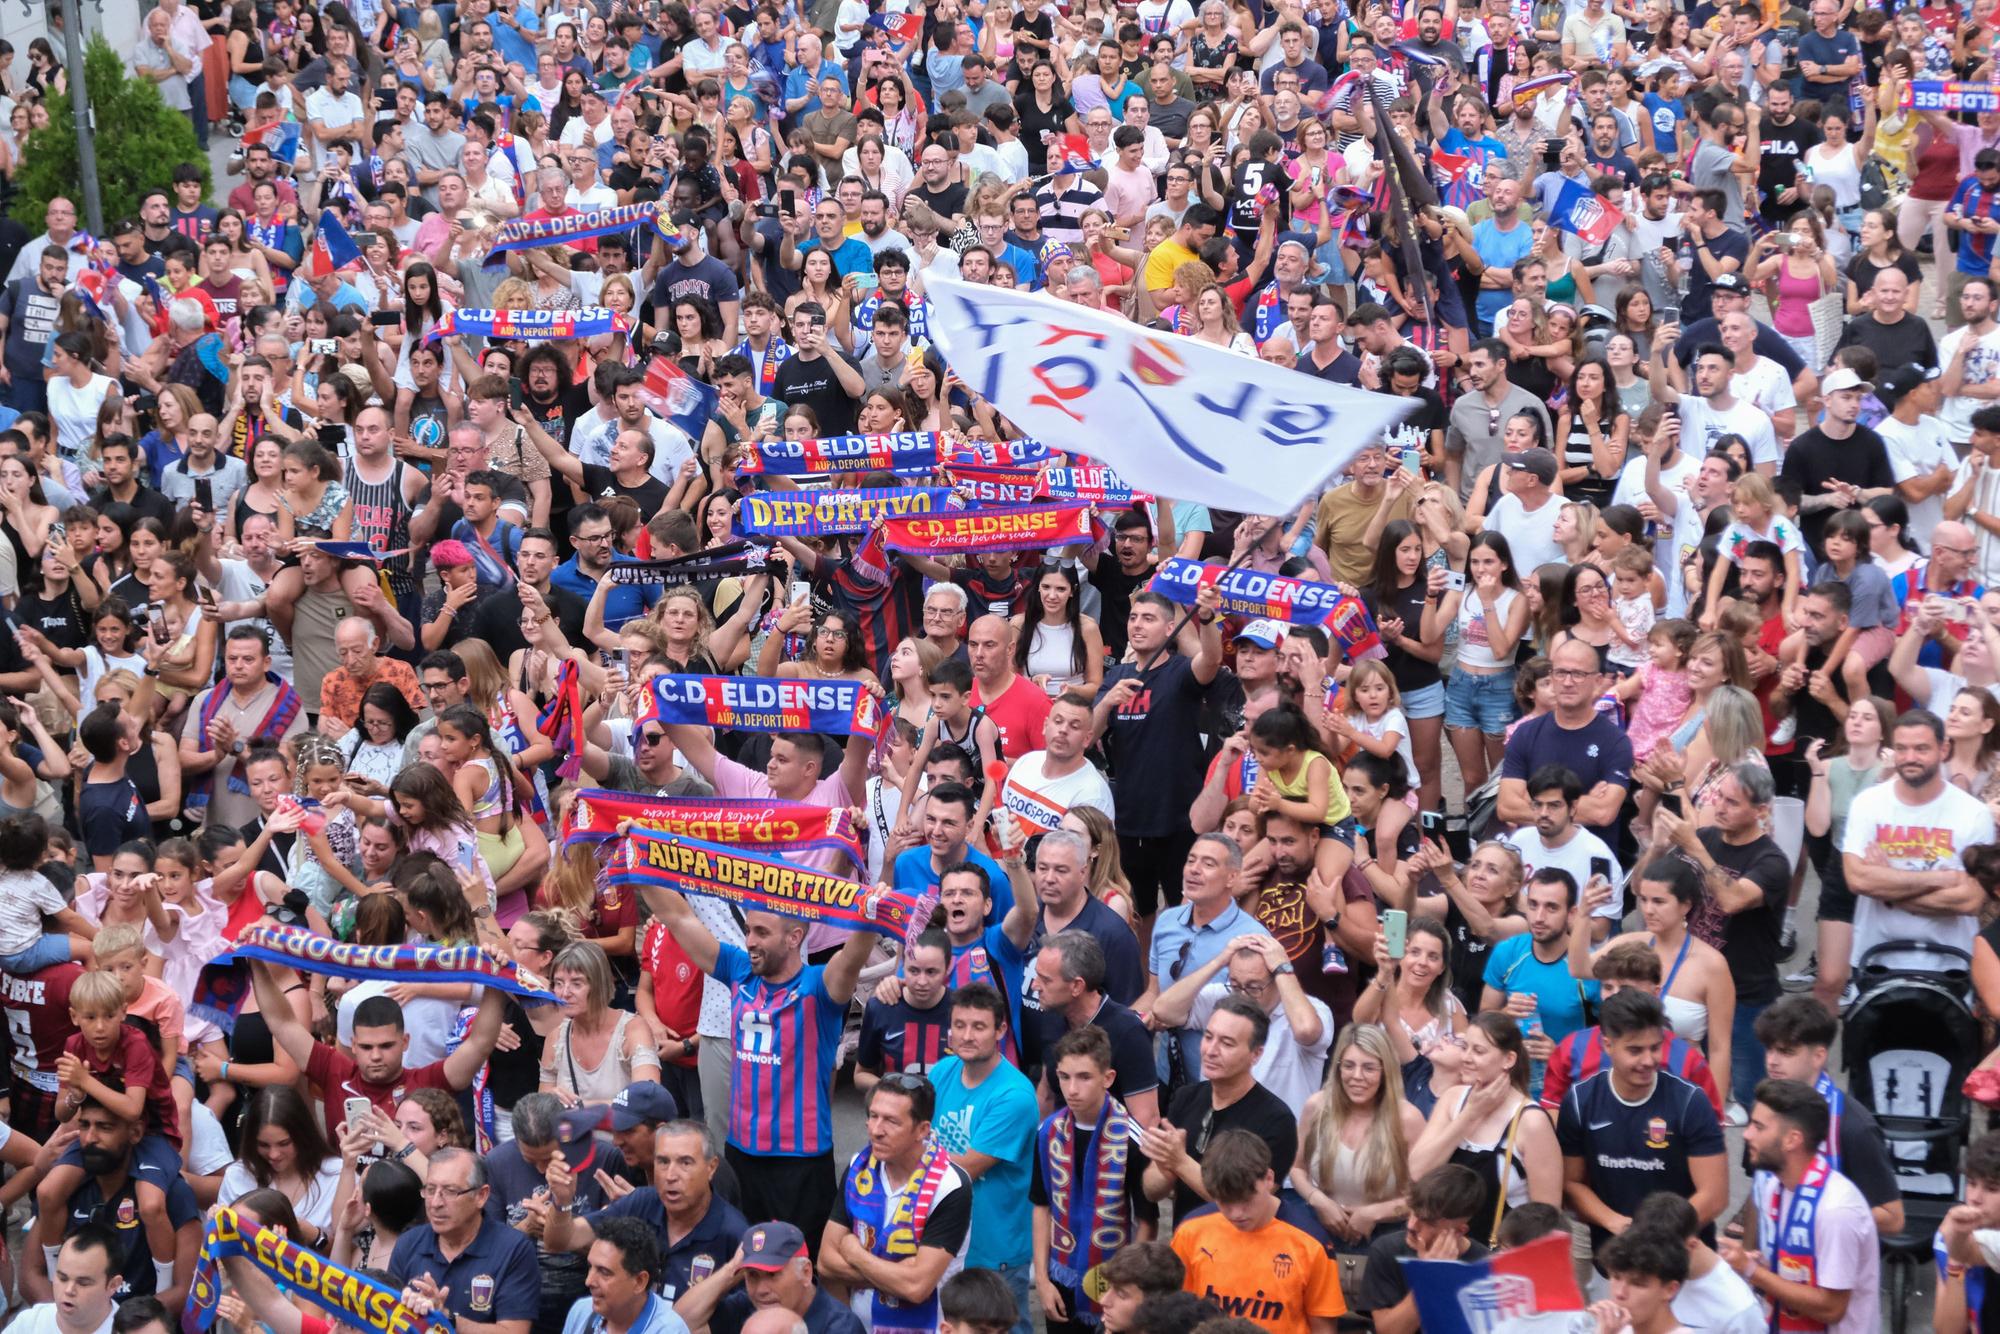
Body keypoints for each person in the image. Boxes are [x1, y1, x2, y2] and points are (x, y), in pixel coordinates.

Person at [633, 876, 876, 1257]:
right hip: (741, 1154)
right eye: (748, 930)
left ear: (794, 937)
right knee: (745, 1262)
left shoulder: (819, 988)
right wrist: (636, 863)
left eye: (761, 932)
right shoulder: (738, 969)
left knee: (800, 1268)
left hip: (800, 1162)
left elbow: (852, 957)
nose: (749, 941)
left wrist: (870, 915)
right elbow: (678, 917)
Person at [1555, 989, 1728, 1257]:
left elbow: (1715, 1195)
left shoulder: (1690, 1102)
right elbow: (1571, 1184)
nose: (1648, 1061)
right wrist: (1616, 1224)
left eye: (1655, 1048)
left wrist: (1655, 1238)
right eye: (1635, 1050)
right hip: (1616, 1255)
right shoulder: (1580, 1100)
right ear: (1607, 1045)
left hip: (1683, 1255)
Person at [1721, 1079, 1881, 1334]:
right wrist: (1754, 1263)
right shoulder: (1775, 1186)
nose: (1746, 1133)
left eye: (1758, 1127)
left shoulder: (1837, 1211)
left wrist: (1752, 1270)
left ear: (1792, 1140)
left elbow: (1831, 1308)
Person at [819, 1076, 974, 1329]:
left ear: (922, 1130)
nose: (876, 1130)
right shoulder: (859, 1168)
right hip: (860, 1326)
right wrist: (897, 1275)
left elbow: (916, 1288)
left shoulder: (951, 1186)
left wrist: (853, 1253)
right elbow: (826, 1263)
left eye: (891, 1121)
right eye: (873, 1116)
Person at [926, 982, 1039, 1328]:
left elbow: (967, 1169)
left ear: (1000, 1030)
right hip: (949, 1238)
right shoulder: (942, 1072)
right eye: (959, 1025)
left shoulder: (1014, 1095)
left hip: (996, 1249)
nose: (967, 1035)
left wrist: (915, 1152)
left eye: (979, 1026)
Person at [543, 1119, 748, 1303]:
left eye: (685, 1162)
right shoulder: (642, 1203)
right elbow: (560, 1240)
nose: (670, 1175)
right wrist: (562, 1201)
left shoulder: (733, 1234)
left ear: (711, 1168)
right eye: (663, 1161)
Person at [1754, 995, 1904, 1236]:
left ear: (1819, 1056)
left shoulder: (1853, 1126)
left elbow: (1893, 1218)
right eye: (1769, 1049)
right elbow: (1758, 1193)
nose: (1772, 1061)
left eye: (1786, 1052)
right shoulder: (1765, 1110)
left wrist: (1822, 1209)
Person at [1169, 1131, 1345, 1334]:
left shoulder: (1310, 1242)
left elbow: (1323, 1328)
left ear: (1269, 1178)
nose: (1236, 1214)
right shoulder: (1192, 1231)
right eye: (1225, 1202)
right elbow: (1178, 1314)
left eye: (1246, 1200)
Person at [1140, 995, 1299, 1221]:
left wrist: (1180, 1162)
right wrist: (1164, 1167)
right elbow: (1151, 1191)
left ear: (1256, 1054)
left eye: (1227, 1043)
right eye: (1208, 1037)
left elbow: (1245, 1205)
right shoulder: (1186, 1097)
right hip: (1186, 1244)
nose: (1211, 1050)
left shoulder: (1276, 1119)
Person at [388, 1147, 542, 1334]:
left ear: (481, 1196)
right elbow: (387, 1320)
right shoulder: (408, 1244)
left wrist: (445, 1319)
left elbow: (514, 1331)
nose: (436, 1203)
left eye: (450, 1191)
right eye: (430, 1190)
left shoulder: (513, 1249)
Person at [1347, 1166, 1490, 1334]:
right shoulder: (1387, 1249)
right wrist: (1428, 1277)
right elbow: (1389, 1331)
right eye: (1412, 1213)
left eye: (1428, 1222)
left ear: (1459, 1231)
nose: (1411, 1225)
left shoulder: (1485, 1267)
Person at [671, 1220, 865, 1334]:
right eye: (753, 1275)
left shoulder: (841, 1327)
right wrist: (731, 1269)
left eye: (773, 1275)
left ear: (805, 1272)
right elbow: (679, 1324)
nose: (762, 1289)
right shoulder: (748, 1304)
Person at [560, 1218, 689, 1334]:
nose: (589, 1281)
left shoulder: (669, 1330)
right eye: (590, 1267)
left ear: (639, 1282)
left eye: (604, 1272)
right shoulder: (582, 1311)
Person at [11, 1226, 122, 1334]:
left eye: (83, 1283)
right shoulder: (29, 1324)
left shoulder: (129, 1330)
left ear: (113, 1285)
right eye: (62, 1278)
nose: (69, 1290)